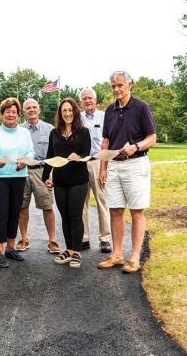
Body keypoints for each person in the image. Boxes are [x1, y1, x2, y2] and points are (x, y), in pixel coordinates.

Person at [98, 71, 156, 273]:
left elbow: (152, 138)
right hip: (113, 164)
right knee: (115, 210)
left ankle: (134, 258)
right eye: (113, 86)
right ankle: (116, 255)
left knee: (137, 211)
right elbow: (106, 141)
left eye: (120, 85)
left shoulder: (141, 107)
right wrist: (103, 167)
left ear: (129, 86)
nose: (116, 89)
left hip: (135, 163)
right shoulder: (109, 110)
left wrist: (136, 146)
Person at [42, 98, 91, 268]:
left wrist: (78, 156)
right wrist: (45, 177)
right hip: (60, 181)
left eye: (70, 110)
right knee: (64, 216)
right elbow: (50, 156)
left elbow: (87, 152)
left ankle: (77, 251)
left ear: (75, 112)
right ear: (60, 113)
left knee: (75, 215)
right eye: (64, 111)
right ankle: (69, 250)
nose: (67, 113)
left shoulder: (83, 132)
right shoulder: (54, 133)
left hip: (78, 180)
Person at [0, 98, 35, 268]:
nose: (11, 114)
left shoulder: (24, 133)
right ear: (2, 114)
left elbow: (31, 151)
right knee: (1, 214)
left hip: (19, 176)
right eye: (7, 111)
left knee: (15, 212)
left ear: (18, 114)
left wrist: (26, 160)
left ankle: (10, 248)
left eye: (14, 112)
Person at [16, 98, 60, 254]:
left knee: (47, 206)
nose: (32, 110)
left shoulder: (50, 129)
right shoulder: (19, 129)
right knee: (22, 206)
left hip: (43, 171)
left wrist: (53, 175)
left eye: (34, 107)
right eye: (28, 108)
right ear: (24, 112)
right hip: (23, 171)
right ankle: (23, 238)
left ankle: (52, 240)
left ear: (39, 110)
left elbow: (56, 153)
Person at [80, 88, 111, 253]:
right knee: (82, 202)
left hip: (99, 162)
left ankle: (105, 238)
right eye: (84, 98)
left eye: (90, 98)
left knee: (101, 201)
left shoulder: (104, 117)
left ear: (95, 99)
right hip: (82, 163)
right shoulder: (78, 118)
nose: (87, 101)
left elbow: (109, 140)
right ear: (81, 102)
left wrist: (105, 166)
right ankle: (84, 237)